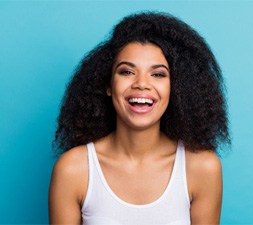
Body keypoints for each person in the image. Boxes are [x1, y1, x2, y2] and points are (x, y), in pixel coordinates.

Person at [49, 12, 230, 225]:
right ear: (108, 85)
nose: (141, 84)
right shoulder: (73, 170)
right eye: (127, 72)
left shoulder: (202, 168)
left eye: (158, 74)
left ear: (176, 89)